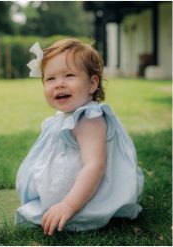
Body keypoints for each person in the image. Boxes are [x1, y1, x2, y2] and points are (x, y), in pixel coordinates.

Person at [15, 38, 144, 235]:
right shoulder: (63, 118)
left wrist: (68, 205)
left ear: (92, 83)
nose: (59, 84)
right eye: (50, 79)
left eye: (69, 75)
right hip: (71, 194)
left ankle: (74, 209)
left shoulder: (88, 119)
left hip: (83, 198)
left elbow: (95, 165)